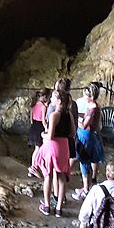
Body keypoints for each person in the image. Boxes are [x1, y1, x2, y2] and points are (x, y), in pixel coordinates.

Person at [35, 89, 73, 217]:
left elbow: (50, 136)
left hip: (53, 147)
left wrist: (42, 134)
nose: (51, 99)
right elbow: (72, 133)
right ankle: (58, 209)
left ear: (59, 101)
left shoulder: (54, 115)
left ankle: (46, 206)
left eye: (53, 98)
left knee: (48, 176)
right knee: (61, 178)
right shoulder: (69, 115)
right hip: (64, 146)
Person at [74, 84, 105, 199]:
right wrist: (79, 114)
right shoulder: (93, 107)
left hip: (85, 136)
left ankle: (86, 190)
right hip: (89, 135)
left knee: (84, 161)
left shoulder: (92, 109)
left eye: (86, 95)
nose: (84, 97)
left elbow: (84, 125)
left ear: (91, 96)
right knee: (87, 160)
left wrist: (75, 118)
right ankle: (87, 186)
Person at [28, 88, 51, 166]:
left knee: (36, 148)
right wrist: (46, 129)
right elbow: (43, 120)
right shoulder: (43, 107)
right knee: (39, 148)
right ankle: (34, 166)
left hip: (34, 126)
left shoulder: (33, 105)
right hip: (40, 128)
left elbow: (31, 119)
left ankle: (34, 165)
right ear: (45, 97)